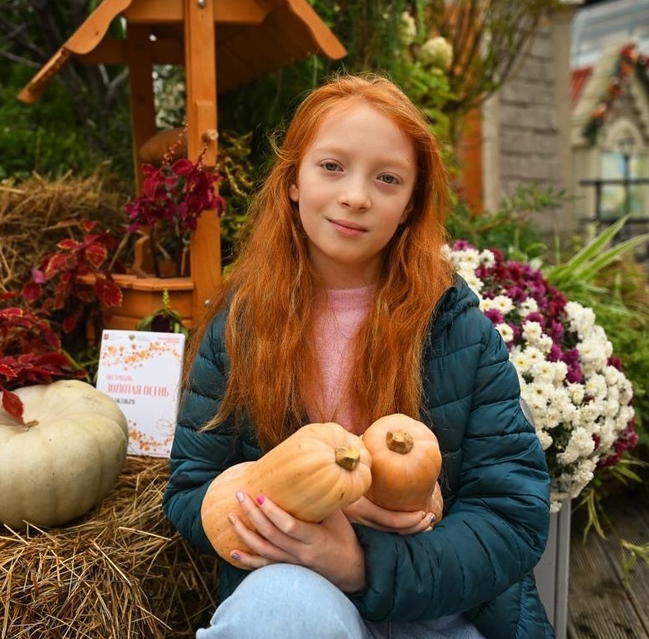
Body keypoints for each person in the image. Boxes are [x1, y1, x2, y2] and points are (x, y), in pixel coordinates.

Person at [162, 72, 553, 638]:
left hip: (442, 609)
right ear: (293, 179)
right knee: (279, 609)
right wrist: (304, 509)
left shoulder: (458, 330)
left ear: (411, 204)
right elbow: (192, 486)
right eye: (332, 166)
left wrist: (361, 562)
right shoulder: (241, 328)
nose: (355, 195)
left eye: (387, 178)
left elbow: (511, 516)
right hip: (300, 592)